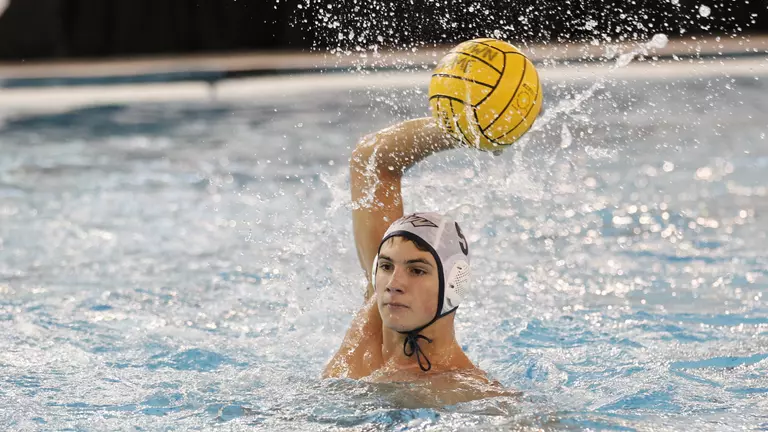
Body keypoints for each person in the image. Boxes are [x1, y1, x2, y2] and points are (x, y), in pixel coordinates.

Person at [322, 117, 514, 404]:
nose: (393, 284)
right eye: (386, 266)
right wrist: (466, 126)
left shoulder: (474, 395)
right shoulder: (368, 331)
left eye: (417, 270)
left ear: (453, 284)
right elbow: (370, 158)